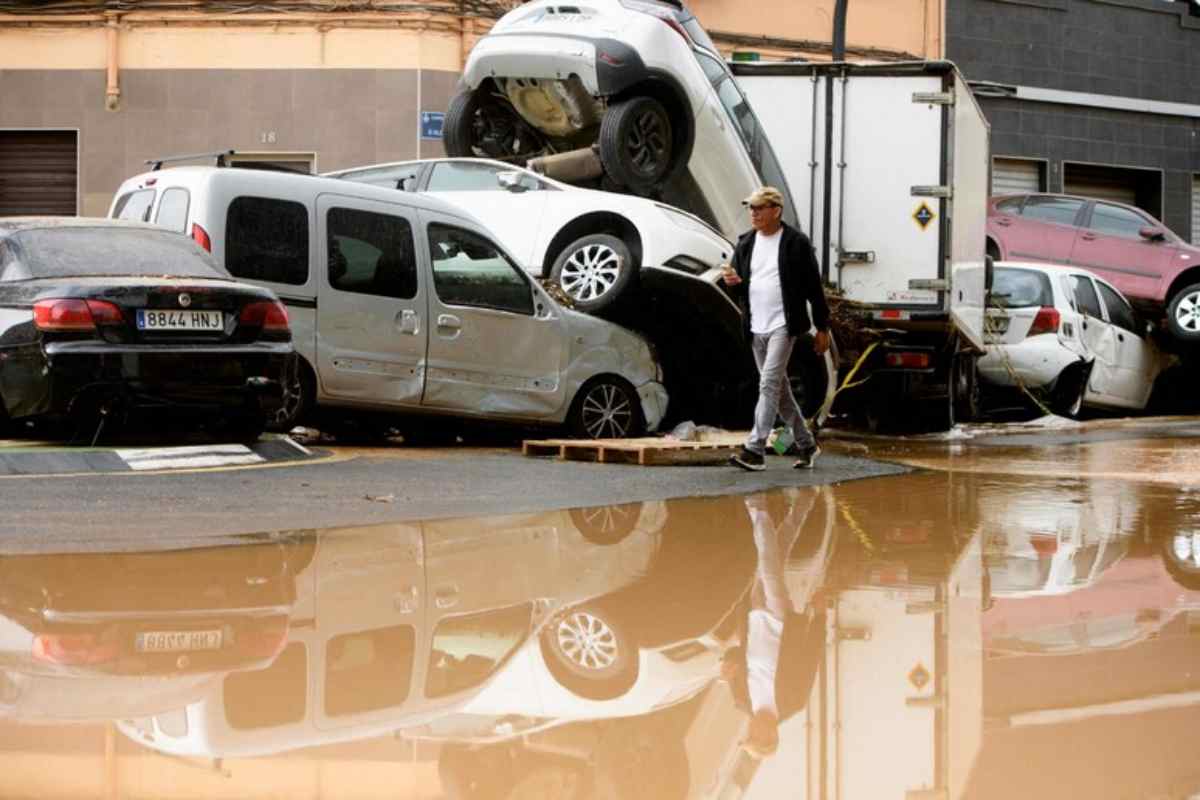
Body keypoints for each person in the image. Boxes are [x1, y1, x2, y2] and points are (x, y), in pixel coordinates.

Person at [721, 186, 832, 472]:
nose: (754, 213)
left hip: (784, 324)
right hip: (755, 325)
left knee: (768, 384)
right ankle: (807, 445)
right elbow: (741, 288)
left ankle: (754, 450)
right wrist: (732, 282)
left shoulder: (796, 243)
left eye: (759, 208)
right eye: (751, 208)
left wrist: (822, 327)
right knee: (780, 391)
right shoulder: (745, 243)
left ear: (776, 211)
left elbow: (813, 289)